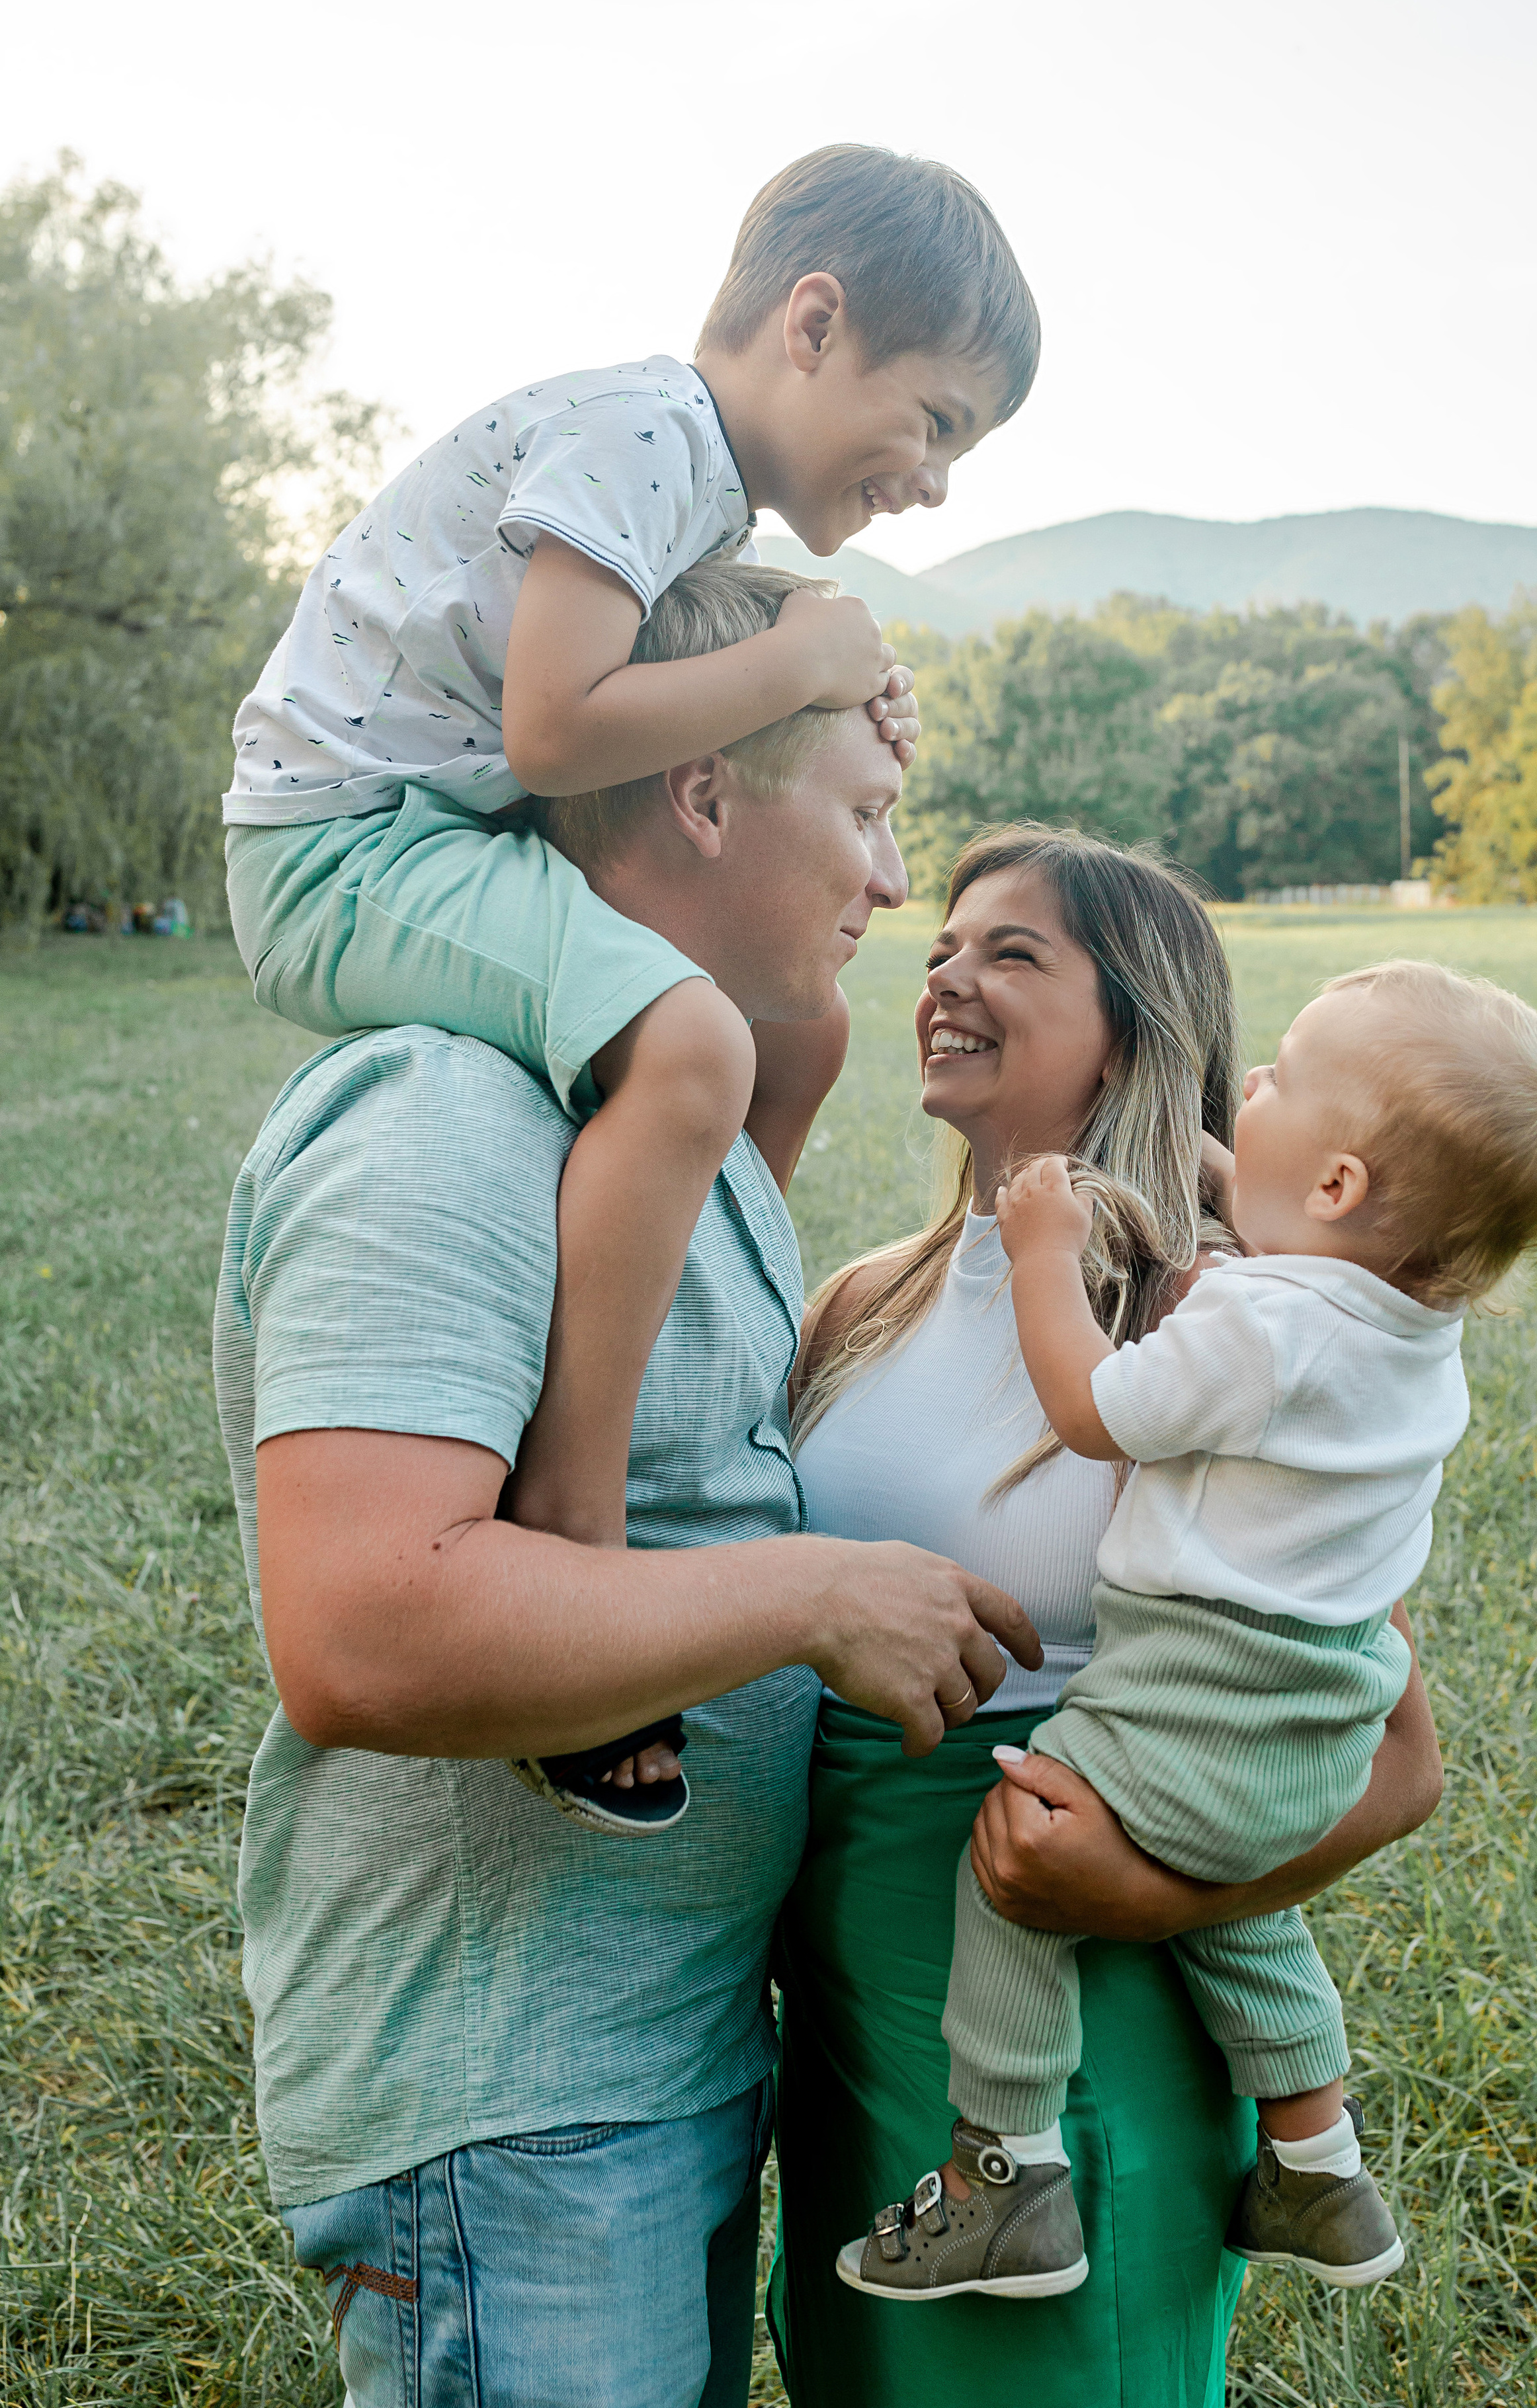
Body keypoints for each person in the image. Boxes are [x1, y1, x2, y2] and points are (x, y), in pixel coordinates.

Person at [214, 592, 1043, 2408]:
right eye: (863, 814)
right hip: (510, 2102)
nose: (894, 880)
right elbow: (363, 1629)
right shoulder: (444, 1117)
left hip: (642, 2071)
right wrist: (818, 1598)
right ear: (703, 796)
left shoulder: (660, 1132)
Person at [221, 147, 1040, 1817]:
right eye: (938, 422)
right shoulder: (644, 434)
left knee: (785, 1040)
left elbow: (664, 699)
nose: (937, 483)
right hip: (343, 845)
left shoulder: (689, 491)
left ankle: (701, 1347)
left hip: (431, 819)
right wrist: (802, 657)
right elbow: (553, 731)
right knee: (688, 1041)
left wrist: (830, 708)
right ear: (813, 322)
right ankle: (576, 1517)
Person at [768, 827, 1448, 2405]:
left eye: (1012, 954)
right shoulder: (859, 1299)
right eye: (945, 942)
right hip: (859, 1995)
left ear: (1135, 1027)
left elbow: (1393, 1761)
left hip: (1085, 1997)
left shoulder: (1222, 1327)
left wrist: (1146, 1892)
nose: (947, 974)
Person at [840, 955, 1537, 2306]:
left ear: (1338, 1191)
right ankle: (1316, 2160)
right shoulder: (1406, 1329)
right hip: (1313, 1716)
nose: (1249, 1086)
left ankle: (1002, 2178)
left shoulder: (1255, 1323)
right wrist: (1216, 1170)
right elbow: (1294, 1253)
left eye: (1282, 1079)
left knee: (1008, 1872)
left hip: (1198, 1686)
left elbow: (1091, 1408)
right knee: (1236, 1913)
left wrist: (1042, 1259)